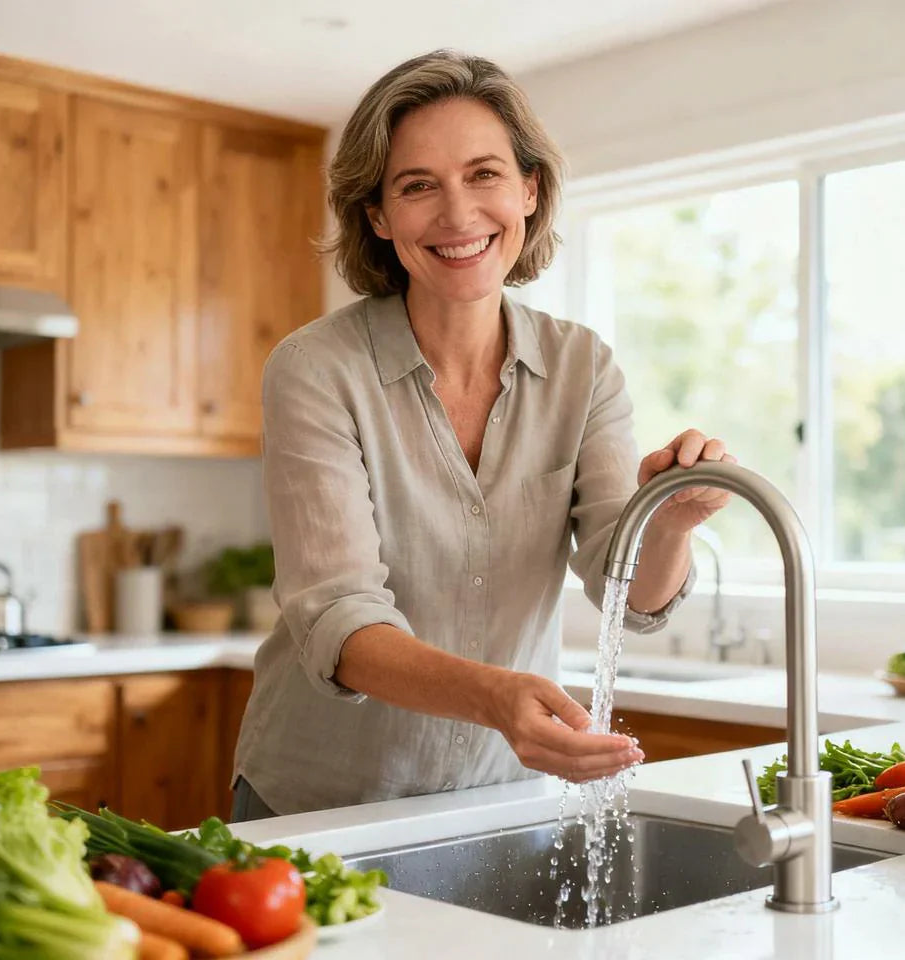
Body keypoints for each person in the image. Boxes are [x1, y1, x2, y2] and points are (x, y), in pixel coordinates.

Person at [231, 50, 736, 820]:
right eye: (417, 185)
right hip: (320, 801)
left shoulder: (583, 368)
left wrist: (669, 521)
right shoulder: (315, 369)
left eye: (484, 174)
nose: (457, 214)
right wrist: (498, 697)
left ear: (530, 189)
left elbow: (626, 593)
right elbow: (339, 617)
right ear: (377, 215)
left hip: (497, 802)